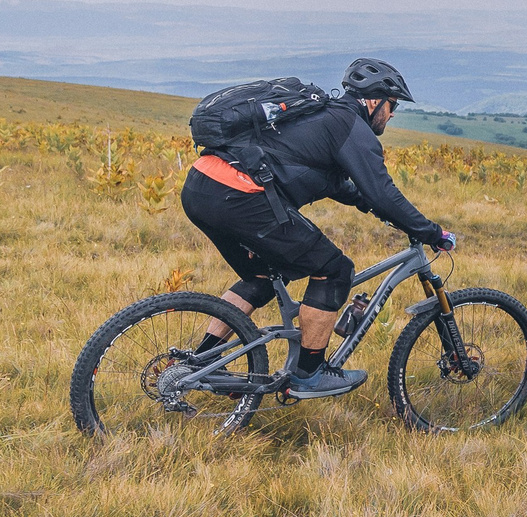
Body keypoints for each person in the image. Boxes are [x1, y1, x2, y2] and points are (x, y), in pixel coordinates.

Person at [180, 57, 455, 397]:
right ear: (373, 101)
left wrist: (376, 209)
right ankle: (308, 374)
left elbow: (339, 185)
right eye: (392, 104)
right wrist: (431, 231)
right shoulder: (350, 126)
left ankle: (202, 359)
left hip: (201, 185)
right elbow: (382, 191)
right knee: (334, 269)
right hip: (240, 196)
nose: (392, 113)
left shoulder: (321, 116)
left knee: (261, 277)